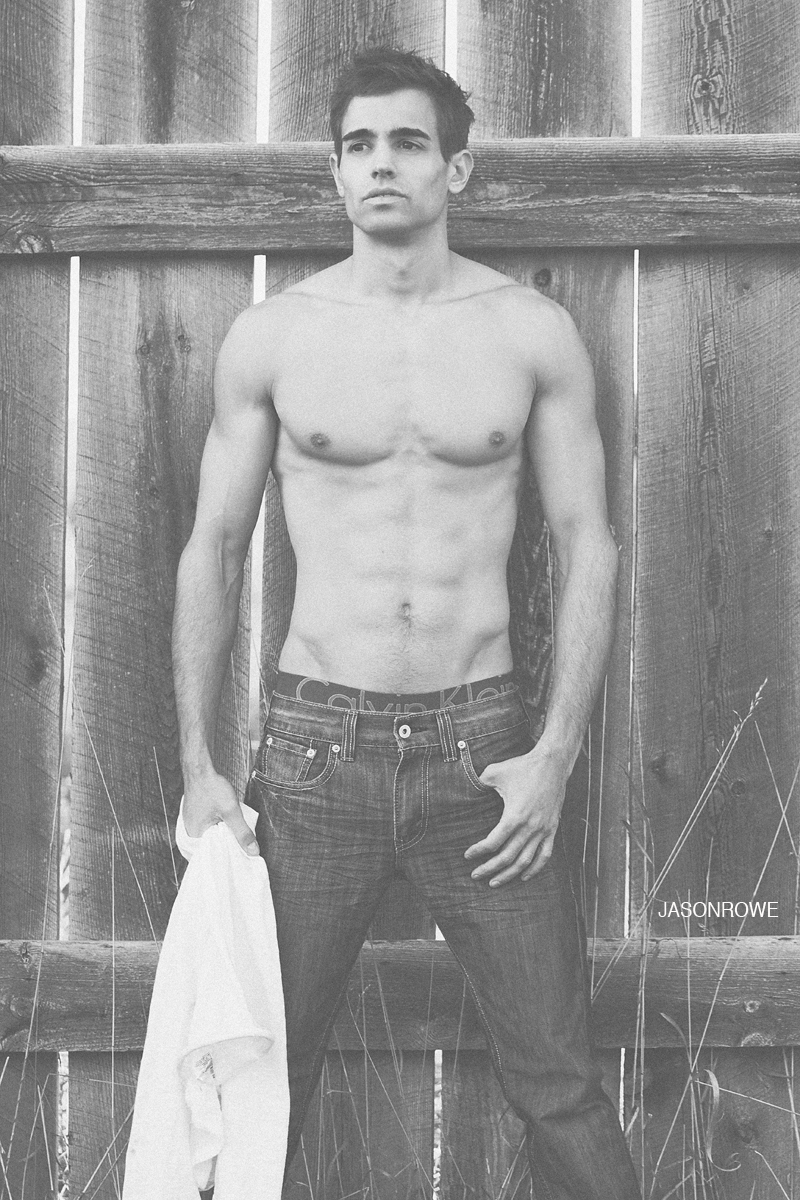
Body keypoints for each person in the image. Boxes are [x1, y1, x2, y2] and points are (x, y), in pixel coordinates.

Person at [173, 47, 641, 1200]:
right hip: (311, 751)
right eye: (358, 145)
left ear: (455, 168)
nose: (380, 164)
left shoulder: (527, 332)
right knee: (259, 1079)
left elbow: (588, 543)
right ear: (335, 172)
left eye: (407, 142)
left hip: (484, 758)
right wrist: (197, 768)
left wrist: (552, 757)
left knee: (557, 1082)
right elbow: (215, 548)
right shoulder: (273, 338)